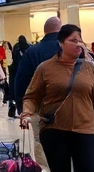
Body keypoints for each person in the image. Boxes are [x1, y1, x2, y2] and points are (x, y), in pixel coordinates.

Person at [21, 24, 94, 172]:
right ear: (61, 43)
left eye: (80, 40)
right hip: (54, 130)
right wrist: (26, 112)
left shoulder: (89, 68)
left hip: (85, 130)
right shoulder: (45, 68)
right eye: (73, 40)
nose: (78, 44)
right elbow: (32, 96)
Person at [15, 17, 63, 170]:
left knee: (40, 139)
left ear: (45, 31)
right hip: (68, 106)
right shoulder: (70, 49)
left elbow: (21, 80)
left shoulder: (33, 51)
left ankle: (47, 168)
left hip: (40, 106)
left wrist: (22, 107)